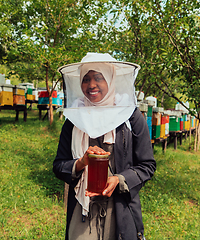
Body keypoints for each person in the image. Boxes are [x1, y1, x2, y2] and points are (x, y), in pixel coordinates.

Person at [53, 53, 156, 240]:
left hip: (120, 209)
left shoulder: (131, 117)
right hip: (82, 209)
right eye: (86, 79)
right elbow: (59, 165)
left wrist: (119, 179)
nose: (91, 84)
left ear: (111, 78)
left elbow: (147, 166)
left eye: (98, 77)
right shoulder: (74, 119)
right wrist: (81, 162)